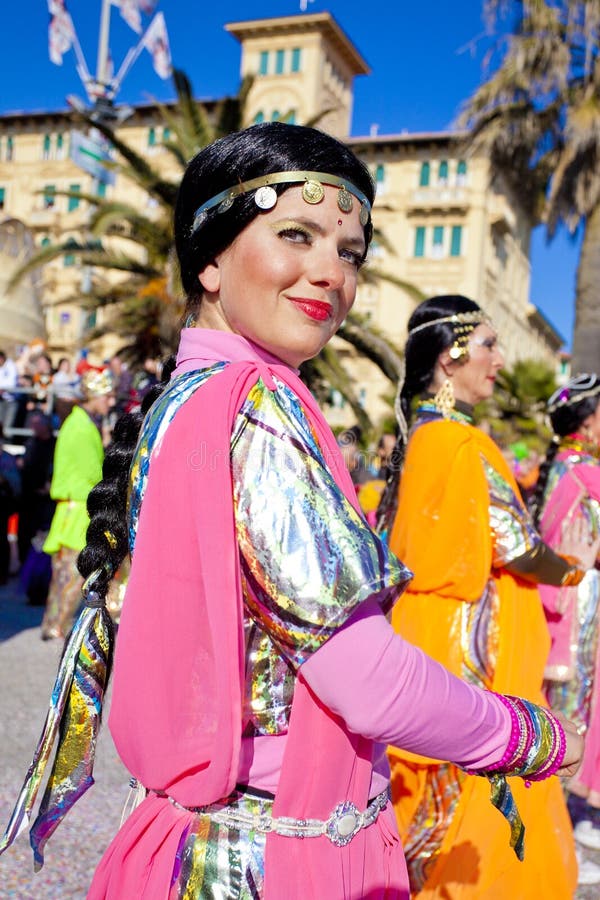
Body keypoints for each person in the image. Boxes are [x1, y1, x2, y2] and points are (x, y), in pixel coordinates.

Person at [0, 126, 583, 898]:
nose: (329, 274)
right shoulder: (261, 406)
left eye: (349, 253)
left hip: (185, 843)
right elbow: (364, 678)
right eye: (296, 235)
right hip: (270, 859)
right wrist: (528, 733)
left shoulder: (185, 399)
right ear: (210, 258)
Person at [380, 294, 589, 895]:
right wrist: (576, 573)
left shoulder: (421, 434)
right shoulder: (458, 440)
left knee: (425, 787)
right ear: (452, 355)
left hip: (425, 628)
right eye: (490, 345)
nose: (498, 360)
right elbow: (517, 545)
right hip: (468, 638)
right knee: (466, 785)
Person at [531, 374, 600, 861]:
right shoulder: (583, 473)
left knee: (569, 703)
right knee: (576, 704)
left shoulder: (561, 468)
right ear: (590, 420)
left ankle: (560, 821)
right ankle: (560, 825)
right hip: (579, 603)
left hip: (568, 598)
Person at [39, 368, 113, 640]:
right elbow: (93, 474)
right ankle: (56, 625)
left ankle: (54, 623)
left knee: (66, 572)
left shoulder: (80, 423)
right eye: (107, 396)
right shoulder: (81, 427)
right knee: (70, 572)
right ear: (93, 396)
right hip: (77, 509)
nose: (110, 401)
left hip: (75, 508)